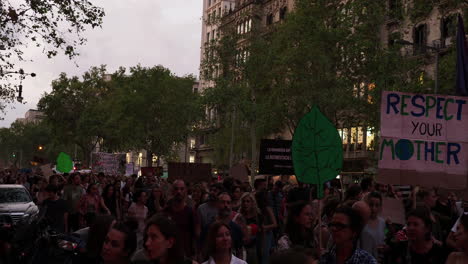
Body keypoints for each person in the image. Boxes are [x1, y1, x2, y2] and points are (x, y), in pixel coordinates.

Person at [164, 180, 199, 258]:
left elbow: (196, 235)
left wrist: (195, 254)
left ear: (185, 191)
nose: (179, 191)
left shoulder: (191, 212)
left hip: (186, 255)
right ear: (172, 191)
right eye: (176, 189)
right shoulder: (166, 212)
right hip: (169, 255)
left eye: (181, 189)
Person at [235, 193, 261, 264]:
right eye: (244, 201)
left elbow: (261, 232)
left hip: (254, 247)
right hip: (241, 248)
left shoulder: (257, 215)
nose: (245, 203)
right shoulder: (239, 216)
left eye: (248, 201)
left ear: (252, 203)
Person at [362, 192, 387, 259]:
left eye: (377, 205)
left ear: (380, 207)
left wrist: (385, 246)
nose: (373, 208)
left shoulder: (383, 222)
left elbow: (385, 235)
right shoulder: (362, 223)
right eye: (371, 205)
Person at [255, 191, 277, 264]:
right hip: (259, 233)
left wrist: (265, 227)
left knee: (264, 255)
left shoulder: (267, 208)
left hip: (267, 234)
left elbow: (274, 224)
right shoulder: (256, 208)